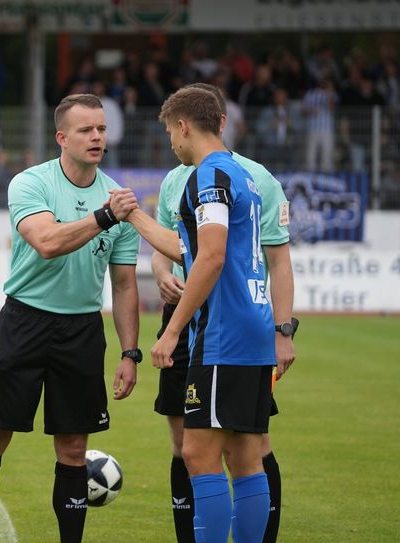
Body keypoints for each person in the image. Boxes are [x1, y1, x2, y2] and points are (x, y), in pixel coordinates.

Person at [0, 93, 142, 543]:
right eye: (85, 130)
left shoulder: (116, 196)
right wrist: (104, 216)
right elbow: (47, 242)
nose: (97, 136)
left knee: (75, 449)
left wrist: (130, 351)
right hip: (25, 322)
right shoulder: (30, 183)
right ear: (61, 137)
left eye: (101, 129)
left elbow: (124, 284)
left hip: (81, 330)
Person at [126, 86, 277, 542]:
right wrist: (135, 215)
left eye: (170, 131)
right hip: (255, 326)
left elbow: (208, 259)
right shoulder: (239, 174)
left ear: (184, 125)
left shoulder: (207, 177)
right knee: (247, 457)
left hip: (223, 333)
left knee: (197, 453)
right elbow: (193, 250)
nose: (171, 142)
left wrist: (172, 331)